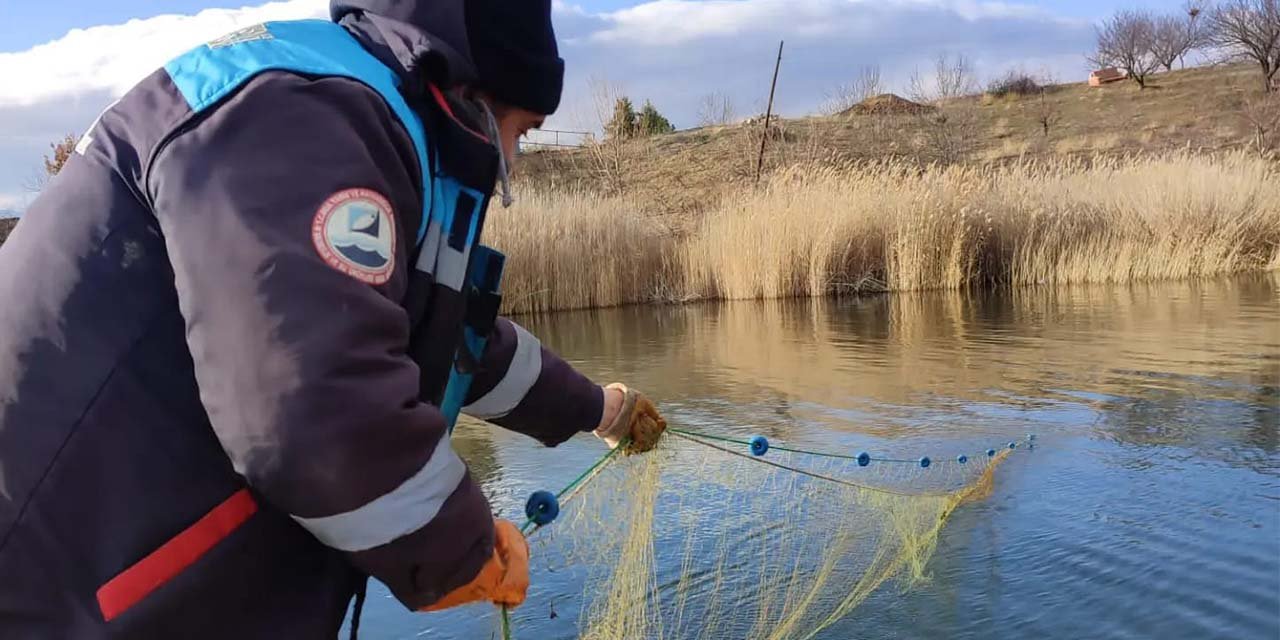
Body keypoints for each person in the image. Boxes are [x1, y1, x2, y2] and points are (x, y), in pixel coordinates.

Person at [0, 1, 667, 637]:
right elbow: (310, 412)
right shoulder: (301, 115)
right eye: (521, 131)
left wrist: (596, 410)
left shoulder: (362, 121)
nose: (511, 164)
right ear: (471, 93)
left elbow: (456, 346)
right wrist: (461, 551)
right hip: (58, 597)